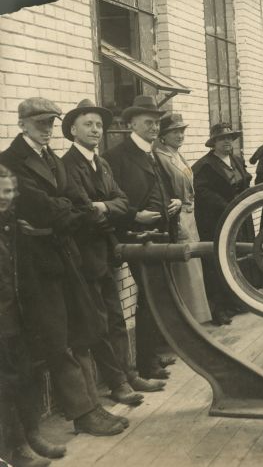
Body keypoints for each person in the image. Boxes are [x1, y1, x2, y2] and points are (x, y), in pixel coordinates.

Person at [0, 98, 125, 436]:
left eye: (51, 123)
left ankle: (92, 407)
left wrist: (63, 213)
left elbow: (76, 202)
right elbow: (43, 208)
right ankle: (83, 412)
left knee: (81, 330)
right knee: (57, 338)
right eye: (41, 124)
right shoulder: (9, 162)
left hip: (63, 254)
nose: (47, 130)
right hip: (34, 264)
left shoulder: (52, 159)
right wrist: (64, 213)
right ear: (22, 123)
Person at [62, 99, 165, 409]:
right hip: (84, 255)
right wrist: (108, 209)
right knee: (98, 321)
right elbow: (82, 209)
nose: (95, 130)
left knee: (117, 316)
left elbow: (121, 201)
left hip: (107, 250)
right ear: (72, 130)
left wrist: (104, 206)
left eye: (98, 125)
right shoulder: (67, 166)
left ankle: (128, 374)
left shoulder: (101, 163)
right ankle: (116, 383)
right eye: (88, 124)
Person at [104, 95, 182, 381]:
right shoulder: (116, 157)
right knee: (148, 297)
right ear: (131, 123)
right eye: (148, 122)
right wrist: (135, 215)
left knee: (156, 296)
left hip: (160, 234)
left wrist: (173, 202)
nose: (154, 127)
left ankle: (151, 355)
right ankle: (145, 363)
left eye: (157, 122)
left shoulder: (153, 153)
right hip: (137, 238)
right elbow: (112, 199)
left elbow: (162, 188)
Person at [0, 165, 66, 467]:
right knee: (5, 384)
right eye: (2, 193)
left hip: (17, 315)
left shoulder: (13, 223)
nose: (8, 198)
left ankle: (32, 436)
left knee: (26, 376)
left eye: (11, 192)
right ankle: (13, 450)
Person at [193, 123, 256, 325]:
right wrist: (227, 205)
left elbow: (245, 183)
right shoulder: (205, 165)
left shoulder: (237, 160)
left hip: (240, 219)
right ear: (214, 143)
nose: (227, 142)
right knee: (217, 262)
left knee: (238, 257)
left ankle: (237, 300)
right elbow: (202, 192)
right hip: (216, 220)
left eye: (230, 138)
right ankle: (219, 308)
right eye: (222, 139)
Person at [154, 113, 212, 324]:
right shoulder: (160, 157)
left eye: (182, 130)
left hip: (189, 217)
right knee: (184, 271)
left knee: (193, 268)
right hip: (178, 220)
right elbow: (162, 186)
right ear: (163, 135)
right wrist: (175, 201)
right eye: (174, 131)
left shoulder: (177, 155)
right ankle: (185, 323)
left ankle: (196, 320)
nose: (180, 135)